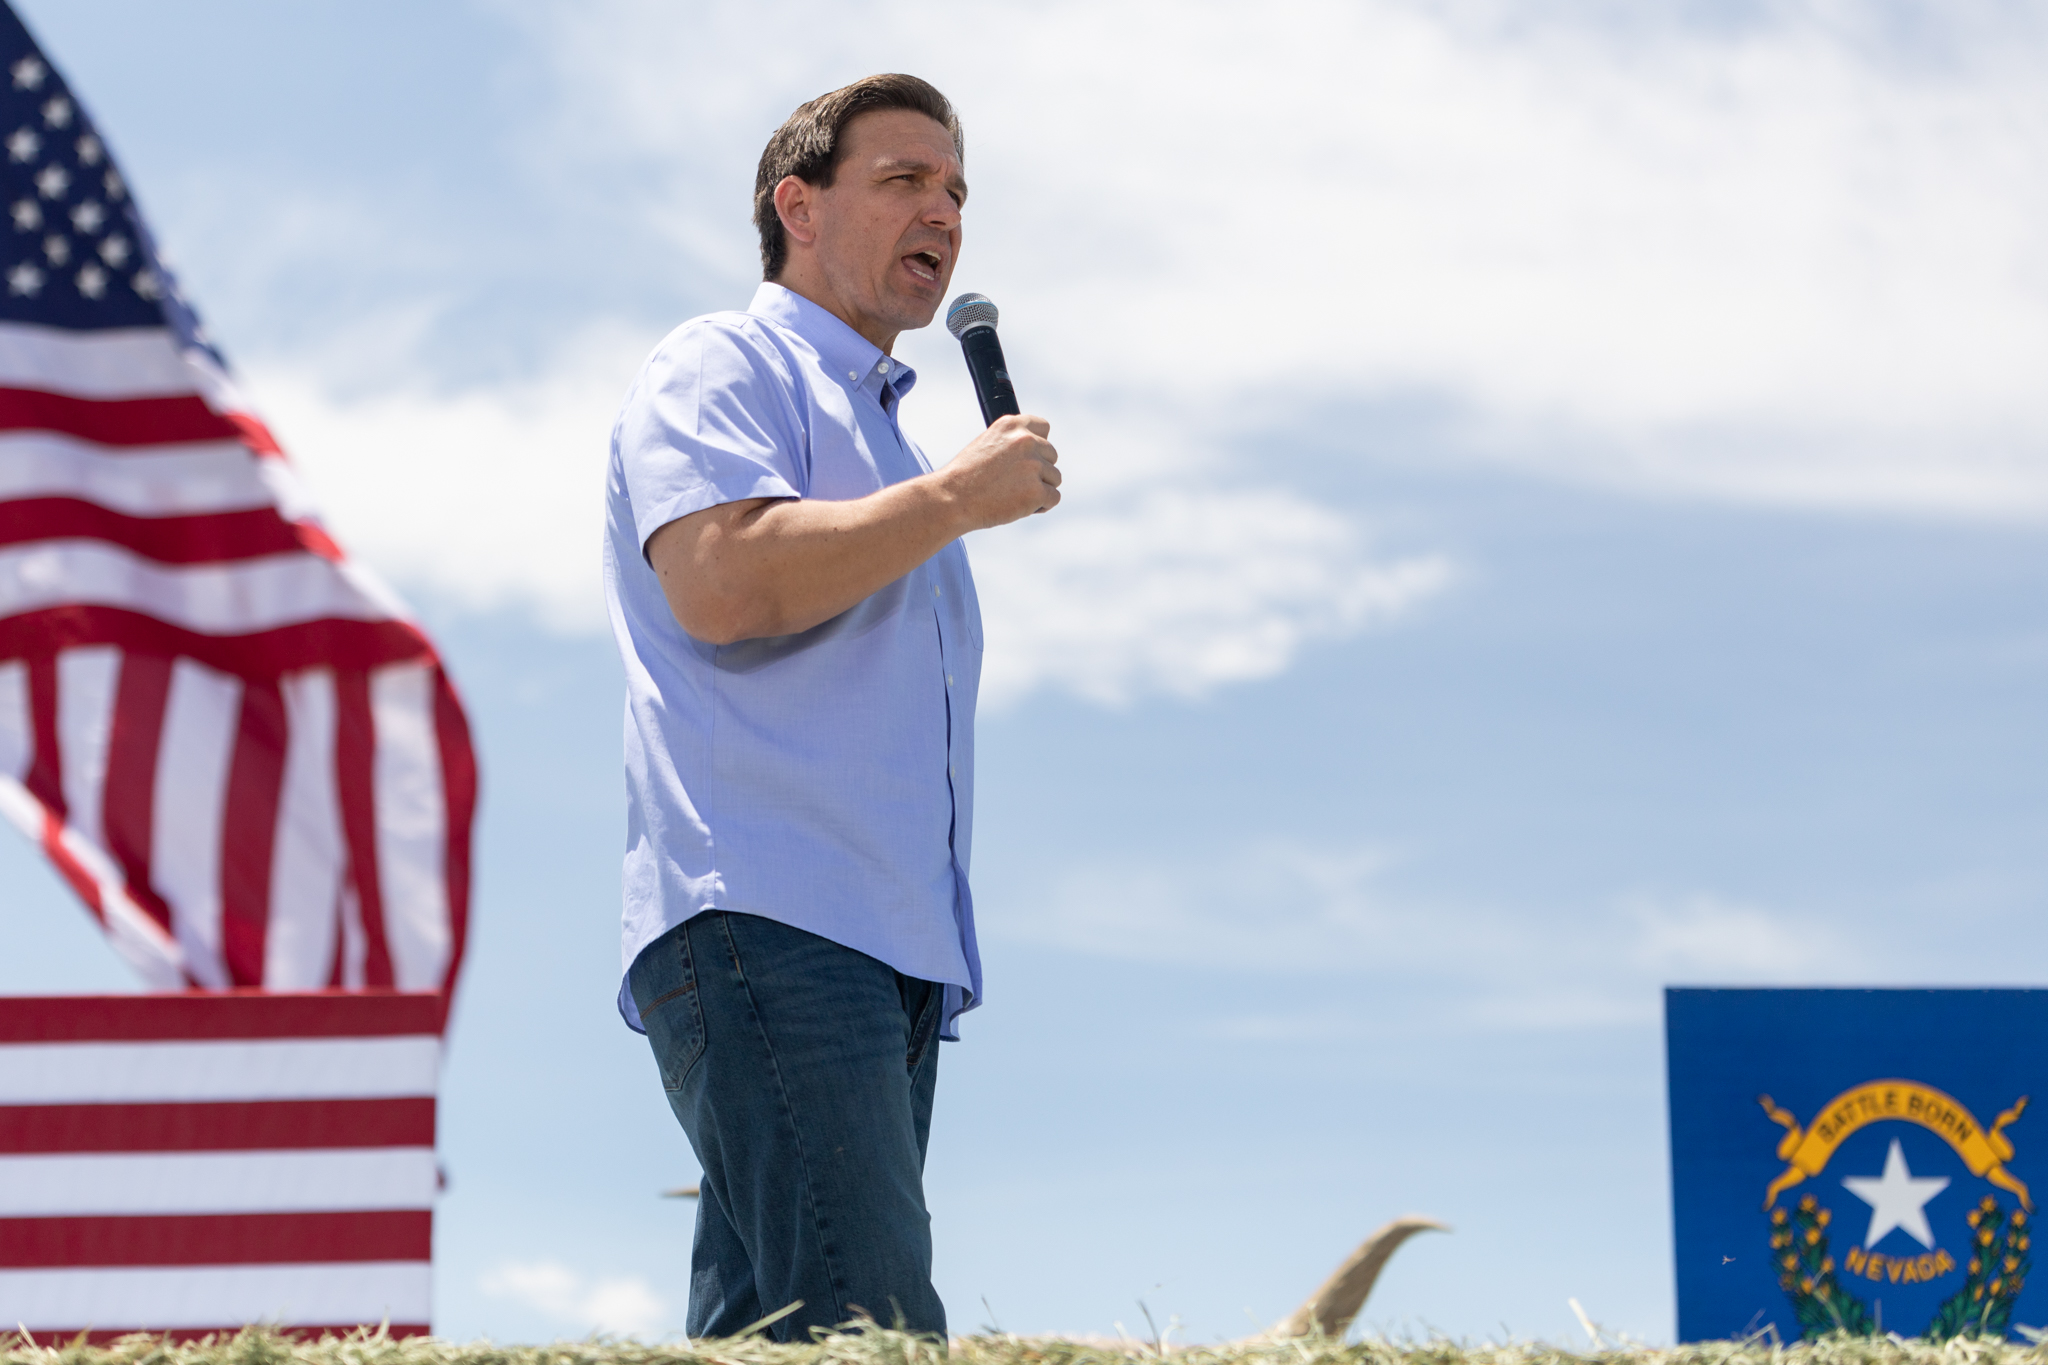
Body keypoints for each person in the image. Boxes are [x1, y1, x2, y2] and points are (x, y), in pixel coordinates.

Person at [601, 74, 1060, 1341]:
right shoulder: (721, 363)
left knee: (775, 1330)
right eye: (905, 181)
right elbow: (725, 580)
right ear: (795, 207)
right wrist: (956, 501)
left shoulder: (896, 451)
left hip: (882, 954)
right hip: (774, 915)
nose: (944, 212)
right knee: (871, 1330)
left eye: (956, 190)